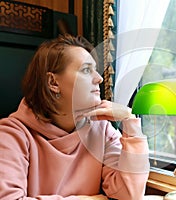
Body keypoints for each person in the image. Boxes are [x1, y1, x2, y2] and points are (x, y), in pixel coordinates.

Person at [0, 34, 150, 200]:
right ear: (53, 83)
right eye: (86, 70)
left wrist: (130, 122)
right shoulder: (11, 135)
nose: (99, 78)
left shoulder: (102, 130)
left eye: (95, 70)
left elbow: (130, 194)